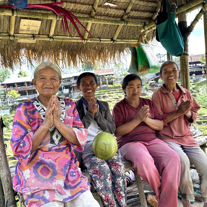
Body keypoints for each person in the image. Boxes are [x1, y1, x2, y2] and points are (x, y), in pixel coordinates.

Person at [10, 62, 99, 207]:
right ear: (34, 82)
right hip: (36, 174)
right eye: (42, 78)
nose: (48, 82)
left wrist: (58, 122)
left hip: (68, 173)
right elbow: (19, 149)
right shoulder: (24, 109)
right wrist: (45, 125)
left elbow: (79, 139)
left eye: (53, 78)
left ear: (59, 82)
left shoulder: (69, 105)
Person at [112, 74, 181, 207]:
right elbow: (118, 132)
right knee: (143, 159)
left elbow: (160, 125)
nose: (135, 90)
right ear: (124, 89)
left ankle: (166, 202)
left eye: (138, 86)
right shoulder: (119, 107)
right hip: (129, 143)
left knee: (173, 158)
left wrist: (146, 120)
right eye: (131, 87)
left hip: (151, 140)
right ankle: (162, 195)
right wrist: (137, 119)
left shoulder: (148, 103)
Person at [152, 60, 207, 207]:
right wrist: (178, 112)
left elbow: (194, 114)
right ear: (161, 76)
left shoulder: (185, 92)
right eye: (166, 71)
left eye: (174, 70)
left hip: (186, 137)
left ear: (178, 73)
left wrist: (187, 113)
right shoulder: (157, 96)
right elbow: (157, 121)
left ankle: (206, 198)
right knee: (182, 161)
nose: (171, 74)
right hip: (167, 137)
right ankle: (186, 200)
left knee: (205, 164)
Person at [75, 72, 127, 207]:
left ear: (97, 85)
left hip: (107, 147)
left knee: (118, 168)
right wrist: (89, 115)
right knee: (102, 170)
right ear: (78, 87)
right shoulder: (74, 108)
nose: (88, 86)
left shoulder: (103, 105)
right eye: (84, 84)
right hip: (87, 149)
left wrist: (97, 114)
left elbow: (111, 130)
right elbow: (76, 132)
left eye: (91, 83)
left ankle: (122, 204)